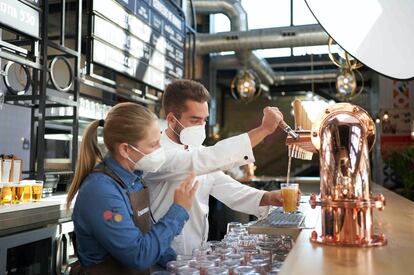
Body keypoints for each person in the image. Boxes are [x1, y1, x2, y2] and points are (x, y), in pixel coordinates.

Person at [68, 101, 284, 274]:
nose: (159, 150)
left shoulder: (134, 177)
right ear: (126, 149)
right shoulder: (101, 191)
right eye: (153, 144)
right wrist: (179, 209)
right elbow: (139, 255)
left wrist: (180, 266)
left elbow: (145, 232)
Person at [144, 79, 299, 255]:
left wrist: (267, 197)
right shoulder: (157, 153)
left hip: (197, 252)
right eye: (195, 120)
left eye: (204, 120)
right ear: (172, 120)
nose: (201, 126)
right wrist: (263, 130)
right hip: (165, 252)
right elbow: (204, 159)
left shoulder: (197, 150)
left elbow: (227, 187)